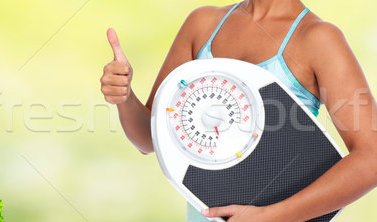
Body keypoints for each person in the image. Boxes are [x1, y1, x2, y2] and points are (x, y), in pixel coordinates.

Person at [100, 0, 377, 221]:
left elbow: (371, 158)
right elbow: (150, 140)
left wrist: (270, 217)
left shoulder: (318, 39)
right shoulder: (202, 24)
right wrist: (124, 98)